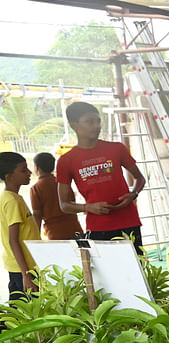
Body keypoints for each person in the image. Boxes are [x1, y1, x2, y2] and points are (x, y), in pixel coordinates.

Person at [56, 101, 146, 254]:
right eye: (90, 122)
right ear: (74, 126)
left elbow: (140, 178)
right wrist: (87, 207)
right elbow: (64, 205)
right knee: (107, 274)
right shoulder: (66, 161)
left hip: (128, 221)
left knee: (138, 271)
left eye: (98, 121)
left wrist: (133, 194)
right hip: (98, 227)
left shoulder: (116, 148)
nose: (96, 126)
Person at [0, 153, 37, 300]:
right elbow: (13, 240)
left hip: (22, 266)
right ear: (8, 176)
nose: (29, 173)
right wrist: (26, 275)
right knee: (26, 312)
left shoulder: (13, 197)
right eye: (23, 170)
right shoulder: (11, 201)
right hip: (22, 268)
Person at [30, 152, 82, 240]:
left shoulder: (36, 188)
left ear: (37, 167)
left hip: (55, 233)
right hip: (75, 229)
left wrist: (35, 237)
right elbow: (72, 204)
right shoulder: (63, 183)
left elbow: (37, 215)